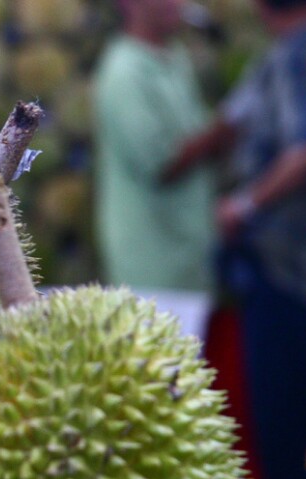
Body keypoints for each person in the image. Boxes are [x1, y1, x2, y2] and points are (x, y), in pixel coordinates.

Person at [164, 0, 306, 479]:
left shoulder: (298, 54)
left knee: (291, 446)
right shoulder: (282, 56)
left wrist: (242, 205)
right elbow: (235, 117)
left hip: (291, 278)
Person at [93, 0, 216, 292]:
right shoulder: (123, 72)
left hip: (191, 252)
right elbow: (159, 165)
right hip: (150, 261)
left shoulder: (176, 58)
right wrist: (221, 134)